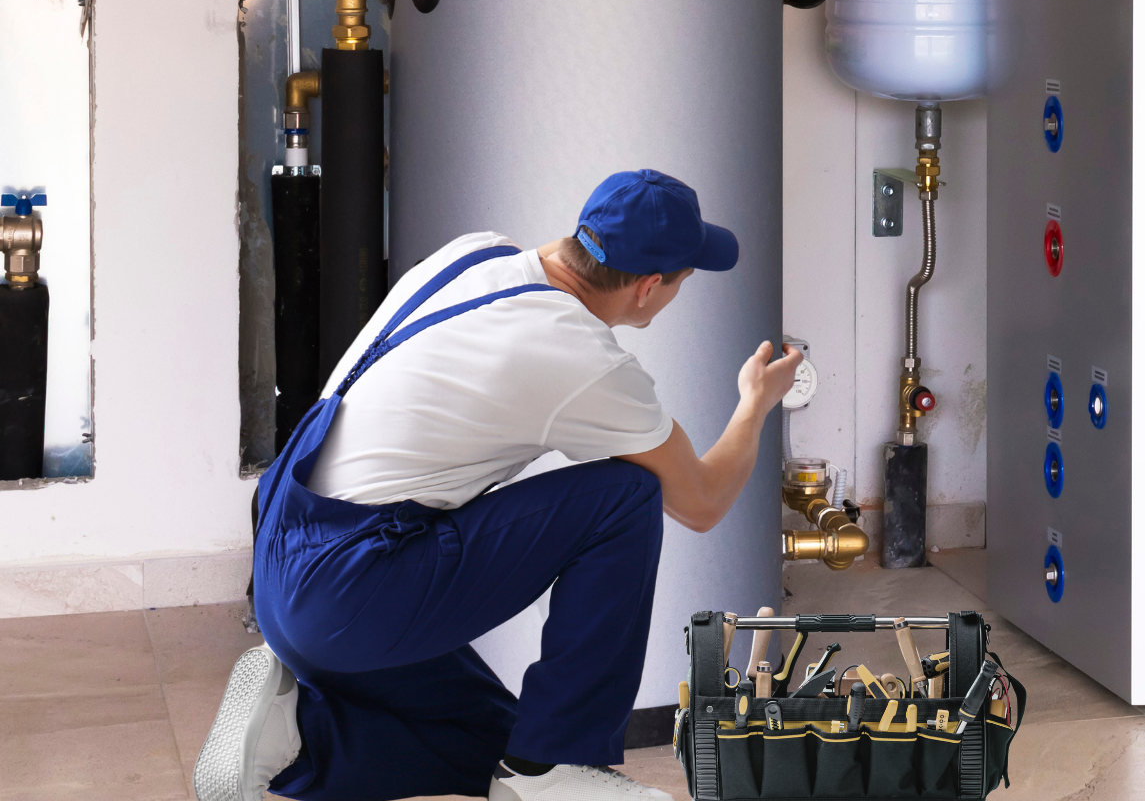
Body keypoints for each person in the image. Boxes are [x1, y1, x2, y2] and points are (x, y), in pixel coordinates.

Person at [192, 169, 801, 801]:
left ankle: (298, 738)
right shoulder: (580, 356)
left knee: (501, 745)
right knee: (626, 498)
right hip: (352, 590)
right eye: (681, 279)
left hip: (284, 566)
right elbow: (701, 503)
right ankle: (555, 766)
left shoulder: (475, 254)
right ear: (648, 288)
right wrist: (755, 403)